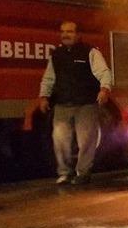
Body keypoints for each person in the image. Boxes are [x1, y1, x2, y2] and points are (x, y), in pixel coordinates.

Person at [38, 21, 112, 185]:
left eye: (70, 32)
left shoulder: (90, 52)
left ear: (78, 35)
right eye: (63, 32)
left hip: (85, 104)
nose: (66, 35)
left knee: (86, 141)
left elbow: (104, 72)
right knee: (60, 140)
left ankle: (82, 173)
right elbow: (49, 78)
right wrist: (43, 97)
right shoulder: (56, 55)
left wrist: (104, 89)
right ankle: (64, 174)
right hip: (62, 104)